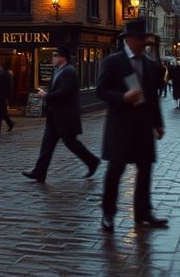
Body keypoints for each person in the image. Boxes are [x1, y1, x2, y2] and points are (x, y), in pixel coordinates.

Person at [96, 19, 167, 232]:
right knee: (115, 169)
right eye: (138, 38)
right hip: (120, 126)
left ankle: (143, 211)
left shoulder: (149, 64)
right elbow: (102, 90)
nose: (142, 42)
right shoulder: (113, 61)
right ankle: (108, 213)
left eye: (144, 38)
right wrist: (123, 96)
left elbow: (153, 97)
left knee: (145, 169)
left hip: (143, 126)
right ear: (127, 39)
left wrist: (158, 123)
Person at [22, 46, 100, 184]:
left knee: (71, 143)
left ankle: (92, 161)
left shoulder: (69, 72)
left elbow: (64, 92)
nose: (52, 59)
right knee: (47, 144)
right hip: (54, 115)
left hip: (66, 116)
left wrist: (46, 96)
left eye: (54, 56)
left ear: (62, 57)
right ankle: (39, 172)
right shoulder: (57, 71)